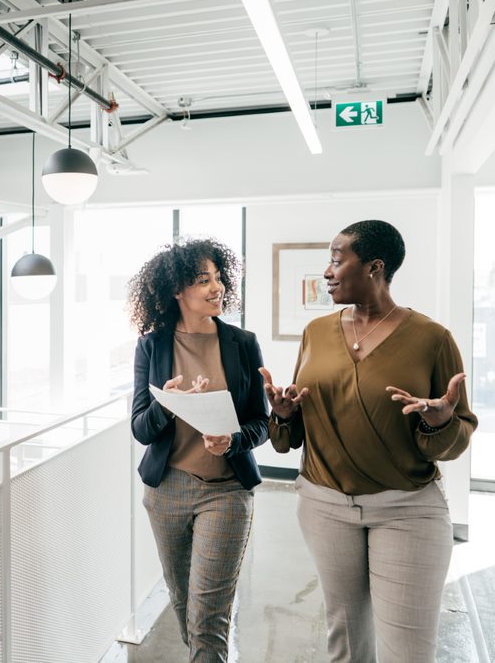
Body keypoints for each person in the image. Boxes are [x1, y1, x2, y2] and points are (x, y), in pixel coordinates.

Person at [261, 220, 477, 663]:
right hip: (324, 506)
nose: (328, 272)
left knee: (409, 651)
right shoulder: (316, 333)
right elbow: (292, 436)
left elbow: (456, 438)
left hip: (407, 509)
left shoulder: (432, 339)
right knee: (346, 641)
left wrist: (438, 422)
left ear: (375, 267)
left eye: (337, 261)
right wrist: (284, 415)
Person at [128, 237, 269, 662]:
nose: (217, 287)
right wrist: (165, 405)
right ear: (176, 291)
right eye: (204, 280)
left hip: (226, 491)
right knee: (184, 602)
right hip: (166, 491)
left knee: (209, 616)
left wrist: (233, 441)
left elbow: (261, 423)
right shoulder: (152, 346)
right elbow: (140, 428)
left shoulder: (242, 343)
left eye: (219, 277)